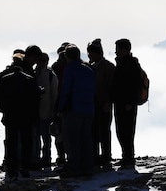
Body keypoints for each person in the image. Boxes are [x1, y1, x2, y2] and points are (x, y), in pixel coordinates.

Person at [0, 56, 41, 182]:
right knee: (26, 142)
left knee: (11, 142)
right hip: (26, 116)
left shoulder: (4, 79)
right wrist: (32, 113)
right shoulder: (29, 79)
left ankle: (11, 169)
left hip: (10, 115)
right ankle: (24, 167)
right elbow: (36, 98)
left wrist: (3, 109)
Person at [57, 44, 95, 178]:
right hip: (89, 109)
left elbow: (66, 91)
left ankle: (75, 168)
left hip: (74, 109)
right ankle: (88, 168)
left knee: (73, 140)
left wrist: (61, 108)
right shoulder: (89, 70)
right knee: (86, 139)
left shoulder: (69, 70)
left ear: (68, 57)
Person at [112, 39, 144, 170]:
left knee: (127, 131)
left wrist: (131, 102)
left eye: (118, 49)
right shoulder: (122, 63)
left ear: (125, 50)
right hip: (120, 102)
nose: (116, 51)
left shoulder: (131, 64)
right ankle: (126, 156)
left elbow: (135, 85)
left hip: (127, 104)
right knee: (121, 130)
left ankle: (129, 157)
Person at [87, 39, 116, 169]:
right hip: (93, 104)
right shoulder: (91, 67)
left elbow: (112, 87)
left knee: (104, 131)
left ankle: (105, 156)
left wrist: (108, 101)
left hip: (104, 104)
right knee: (94, 131)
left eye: (90, 53)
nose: (89, 56)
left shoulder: (108, 67)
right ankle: (94, 156)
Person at [35, 52, 59, 168]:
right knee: (37, 138)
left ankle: (46, 158)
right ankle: (37, 158)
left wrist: (54, 110)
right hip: (35, 112)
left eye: (43, 61)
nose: (41, 63)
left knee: (45, 137)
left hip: (46, 111)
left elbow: (54, 94)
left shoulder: (50, 76)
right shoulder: (33, 74)